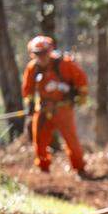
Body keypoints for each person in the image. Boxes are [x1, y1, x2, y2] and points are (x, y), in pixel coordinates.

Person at [22, 35, 88, 175]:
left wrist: (81, 97)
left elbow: (81, 80)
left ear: (50, 51)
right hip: (44, 108)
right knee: (39, 140)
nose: (42, 57)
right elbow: (27, 89)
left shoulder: (64, 64)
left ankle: (80, 168)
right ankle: (43, 168)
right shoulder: (32, 68)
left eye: (44, 53)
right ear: (32, 54)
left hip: (63, 108)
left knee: (71, 139)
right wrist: (30, 103)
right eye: (38, 54)